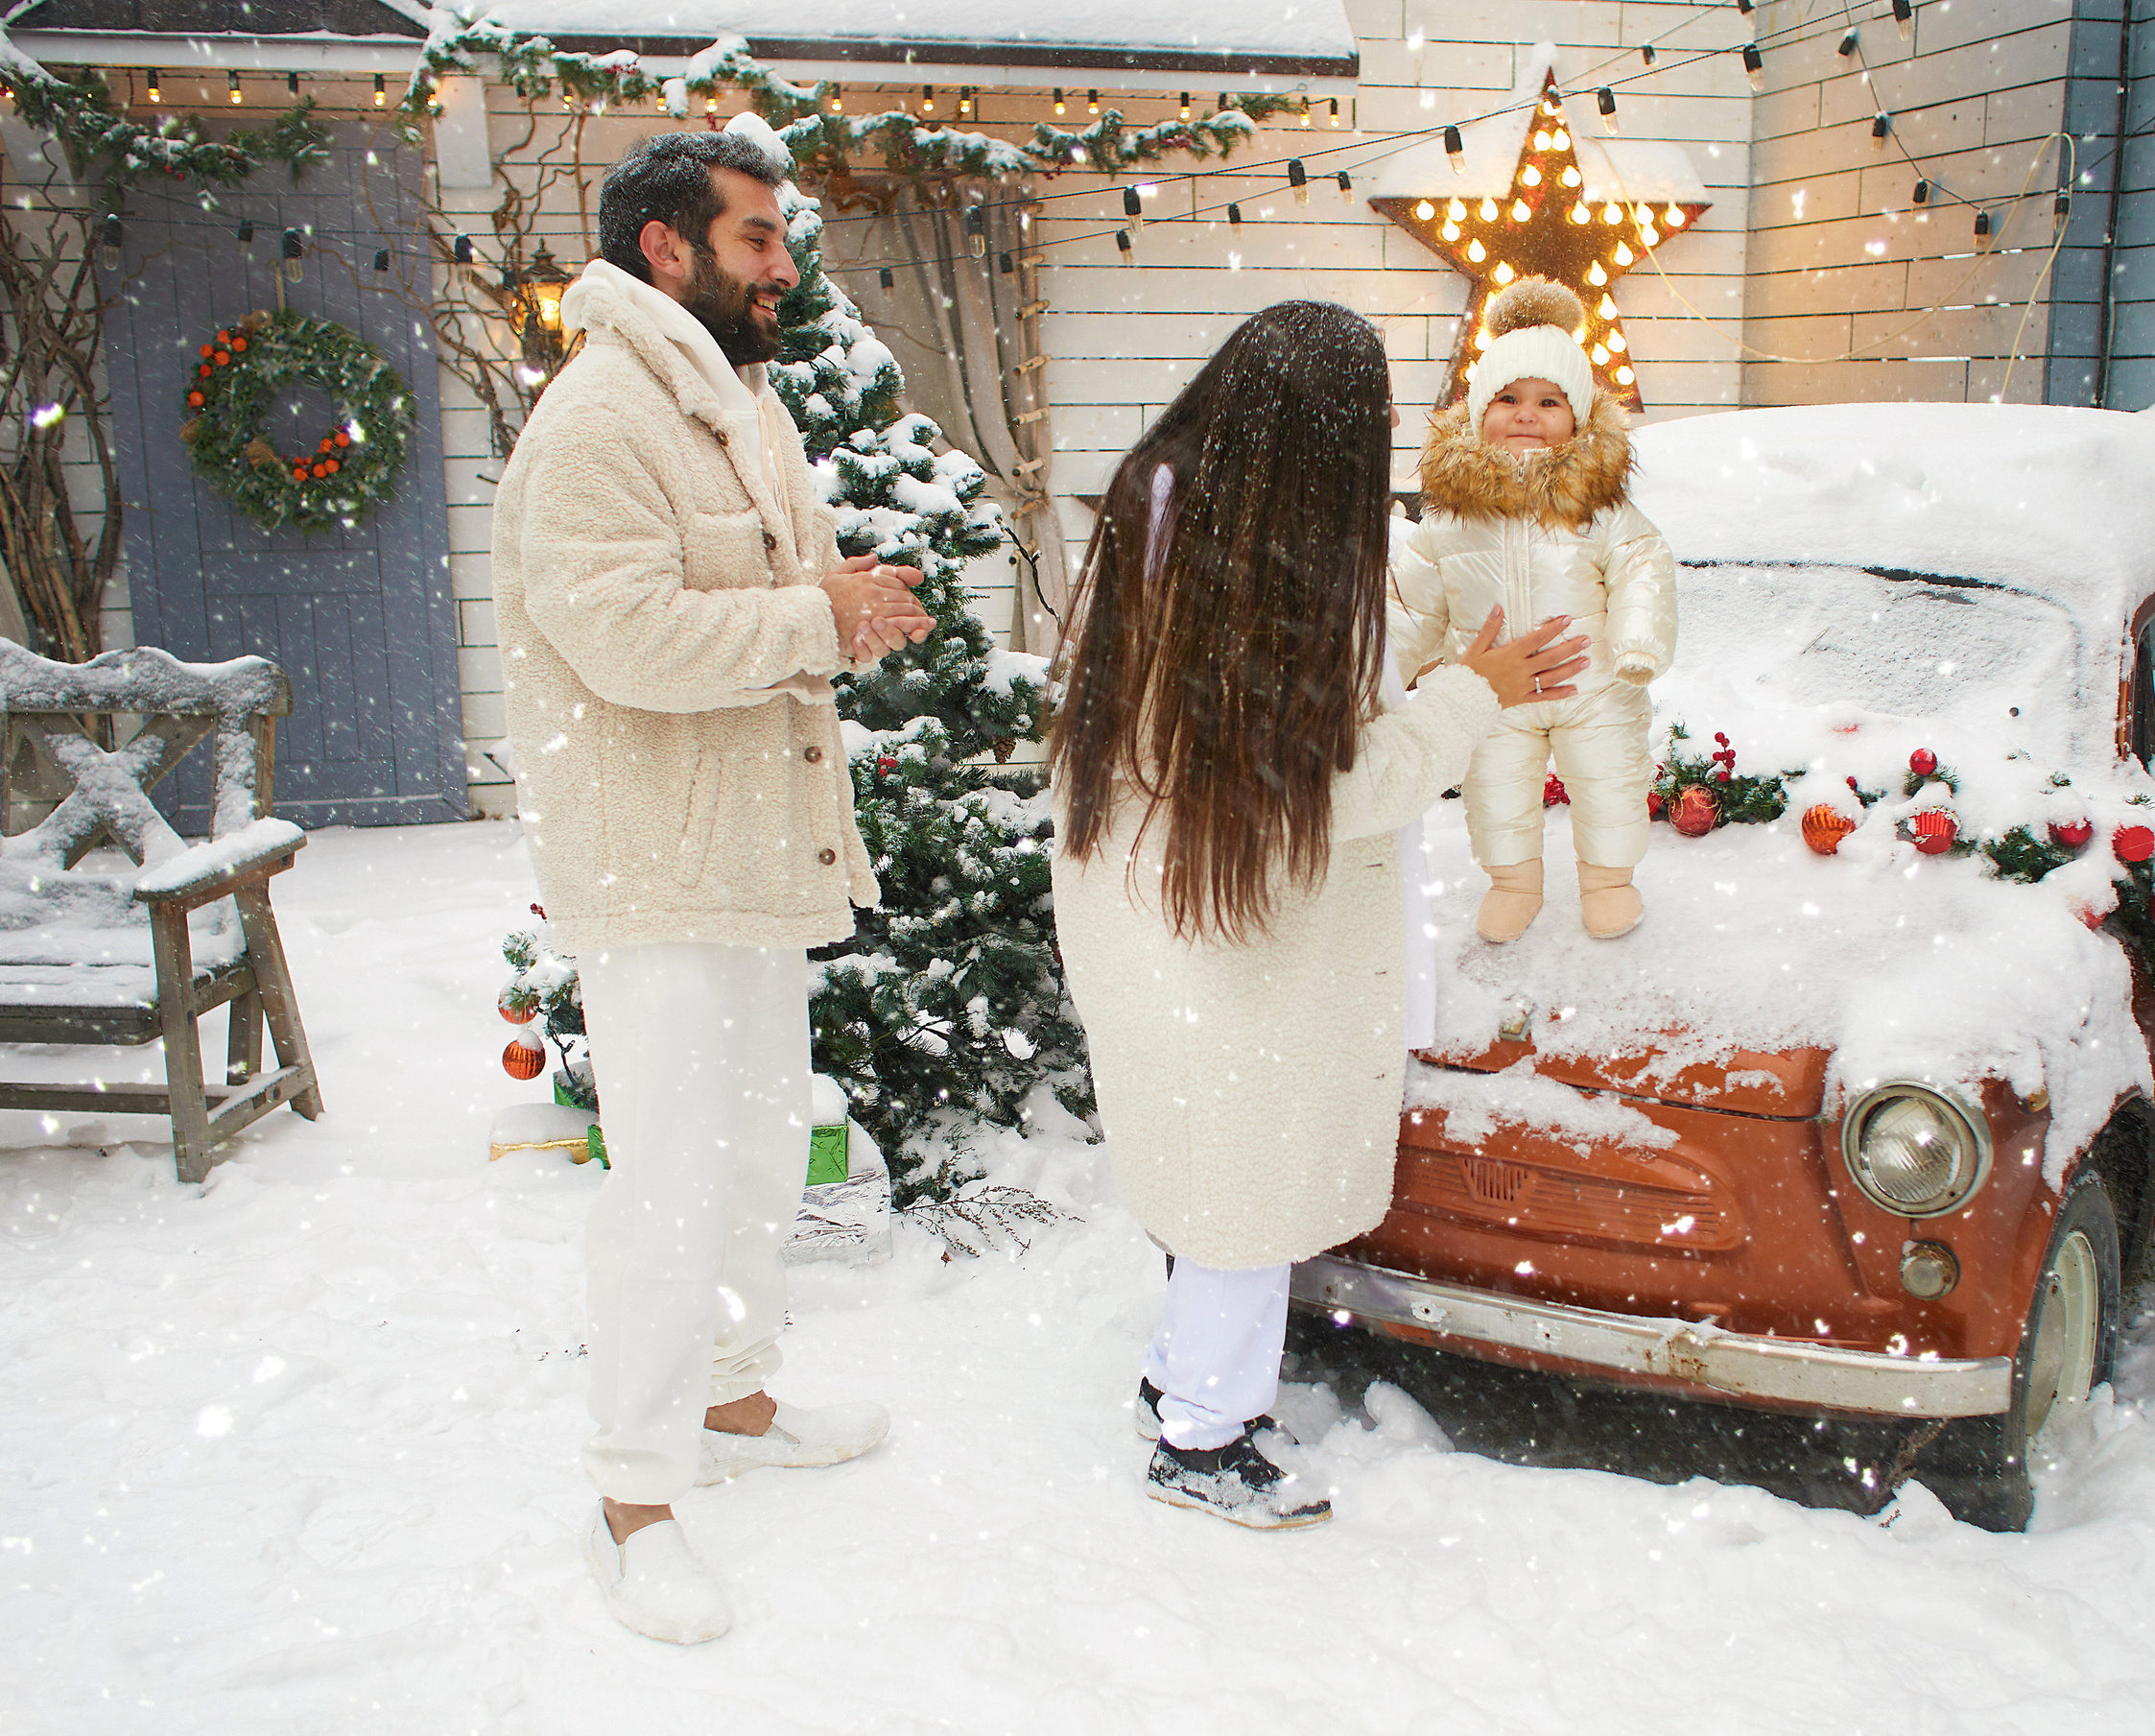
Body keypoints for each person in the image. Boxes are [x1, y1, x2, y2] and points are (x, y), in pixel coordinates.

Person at [492, 126, 936, 1645]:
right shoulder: (600, 417)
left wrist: (841, 610)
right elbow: (622, 637)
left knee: (752, 1156)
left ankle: (735, 1405)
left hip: (746, 851)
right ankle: (632, 1500)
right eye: (758, 236)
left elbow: (765, 598)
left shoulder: (734, 401)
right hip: (656, 865)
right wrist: (813, 616)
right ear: (665, 247)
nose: (785, 264)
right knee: (670, 1187)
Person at [1047, 300, 1587, 1529]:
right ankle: (1203, 1441)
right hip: (1234, 934)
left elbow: (1253, 741)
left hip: (1159, 906)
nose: (1388, 431)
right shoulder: (1253, 565)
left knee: (1213, 1166)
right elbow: (1323, 789)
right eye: (1372, 413)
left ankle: (1180, 1379)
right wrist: (1470, 695)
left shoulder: (1174, 506)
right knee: (1246, 1185)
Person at [1388, 277, 1678, 943]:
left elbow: (1642, 564)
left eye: (1549, 401)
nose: (1526, 415)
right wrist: (1382, 672)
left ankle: (1609, 882)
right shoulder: (1451, 517)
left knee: (1609, 782)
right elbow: (1412, 603)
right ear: (1477, 412)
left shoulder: (1599, 508)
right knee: (1495, 792)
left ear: (1578, 418)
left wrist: (1638, 641)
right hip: (1494, 693)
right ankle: (1513, 883)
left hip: (1593, 687)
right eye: (1508, 399)